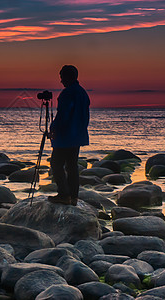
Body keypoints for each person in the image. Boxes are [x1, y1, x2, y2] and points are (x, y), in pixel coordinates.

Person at [48, 65, 90, 206]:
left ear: (67, 77)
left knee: (56, 163)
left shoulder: (68, 93)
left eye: (62, 78)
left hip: (66, 136)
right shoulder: (82, 93)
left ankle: (64, 195)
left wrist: (53, 128)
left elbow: (63, 116)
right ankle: (73, 197)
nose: (61, 81)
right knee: (72, 166)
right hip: (77, 136)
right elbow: (85, 117)